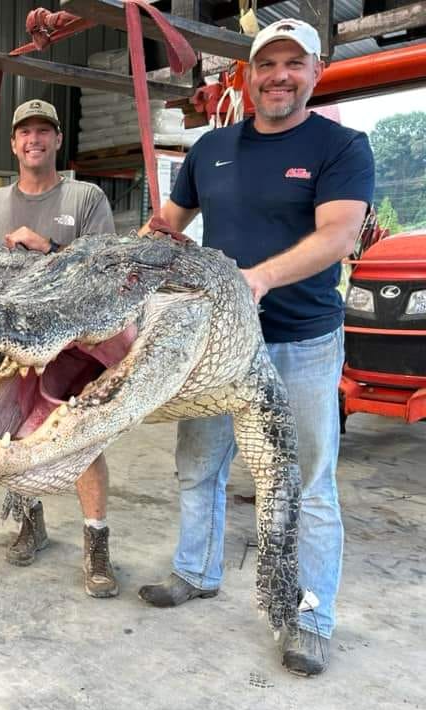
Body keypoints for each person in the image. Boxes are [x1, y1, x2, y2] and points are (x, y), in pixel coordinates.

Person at [138, 19, 374, 676]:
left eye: (292, 64)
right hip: (216, 343)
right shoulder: (212, 147)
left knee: (305, 483)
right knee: (198, 464)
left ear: (315, 72)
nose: (277, 76)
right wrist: (140, 249)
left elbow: (339, 235)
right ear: (247, 74)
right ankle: (196, 571)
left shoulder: (341, 146)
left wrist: (261, 277)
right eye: (265, 64)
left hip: (299, 340)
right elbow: (168, 225)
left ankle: (309, 617)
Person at [0, 99, 119, 598]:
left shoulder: (85, 198)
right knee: (15, 435)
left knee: (83, 443)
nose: (34, 139)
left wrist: (51, 250)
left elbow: (107, 272)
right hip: (17, 343)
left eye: (44, 131)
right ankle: (30, 522)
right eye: (25, 132)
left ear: (58, 140)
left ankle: (96, 544)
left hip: (75, 346)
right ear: (14, 143)